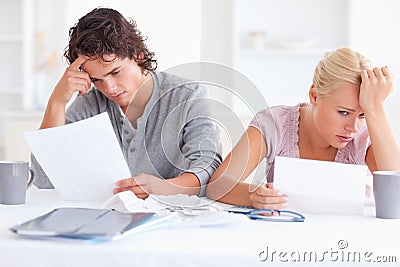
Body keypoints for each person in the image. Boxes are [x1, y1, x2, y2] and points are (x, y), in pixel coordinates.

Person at [33, 7, 222, 198]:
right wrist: (56, 103)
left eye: (115, 72)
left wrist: (167, 187)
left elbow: (208, 165)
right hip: (108, 216)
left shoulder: (187, 96)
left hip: (174, 215)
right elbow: (44, 180)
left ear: (138, 55)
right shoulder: (91, 104)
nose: (109, 88)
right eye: (96, 79)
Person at [206, 46, 400, 209]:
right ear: (314, 96)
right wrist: (252, 196)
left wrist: (375, 107)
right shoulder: (275, 124)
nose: (353, 128)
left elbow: (396, 188)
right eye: (343, 112)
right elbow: (217, 185)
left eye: (362, 114)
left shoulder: (367, 135)